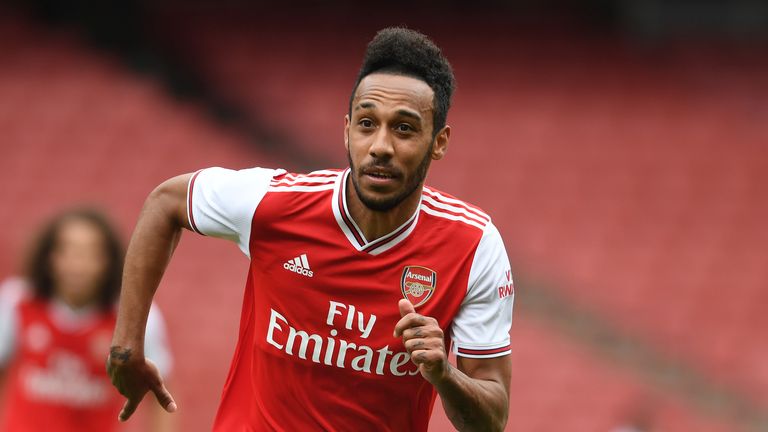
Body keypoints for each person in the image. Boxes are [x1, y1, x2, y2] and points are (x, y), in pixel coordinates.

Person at [108, 27, 515, 431]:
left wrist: (445, 374)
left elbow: (491, 420)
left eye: (404, 128)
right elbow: (166, 203)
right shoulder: (275, 203)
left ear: (439, 142)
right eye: (367, 123)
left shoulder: (474, 246)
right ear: (346, 129)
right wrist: (126, 347)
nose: (380, 146)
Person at [0, 208, 174, 432]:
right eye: (68, 251)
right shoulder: (16, 301)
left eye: (90, 253)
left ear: (107, 261)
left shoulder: (135, 315)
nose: (78, 264)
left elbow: (162, 393)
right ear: (50, 257)